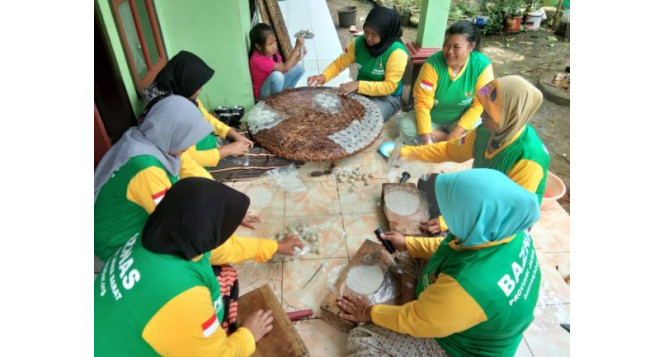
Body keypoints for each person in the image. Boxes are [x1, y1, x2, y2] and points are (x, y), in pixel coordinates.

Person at [336, 168, 542, 357]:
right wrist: (408, 243)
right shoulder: (505, 228)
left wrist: (368, 312)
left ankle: (410, 300)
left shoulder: (471, 285)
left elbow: (418, 321)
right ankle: (410, 294)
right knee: (409, 254)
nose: (444, 216)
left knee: (363, 341)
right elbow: (451, 247)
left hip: (463, 347)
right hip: (461, 308)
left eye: (451, 212)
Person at [94, 177, 304, 356]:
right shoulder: (183, 297)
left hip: (111, 329)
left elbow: (223, 251)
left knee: (224, 273)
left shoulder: (155, 234)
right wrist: (248, 334)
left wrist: (275, 247)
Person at [399, 75, 550, 234]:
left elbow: (504, 212)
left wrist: (449, 221)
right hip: (482, 195)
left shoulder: (528, 158)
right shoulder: (486, 130)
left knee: (454, 244)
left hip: (504, 219)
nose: (481, 116)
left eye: (488, 114)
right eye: (483, 109)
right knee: (428, 183)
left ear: (509, 116)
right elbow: (449, 150)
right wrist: (406, 153)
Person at [94, 95, 216, 262]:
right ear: (171, 130)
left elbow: (192, 169)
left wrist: (224, 203)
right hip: (115, 245)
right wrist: (260, 248)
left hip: (126, 226)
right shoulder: (147, 170)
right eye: (186, 135)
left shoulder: (149, 139)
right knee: (199, 271)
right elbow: (181, 234)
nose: (190, 144)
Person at [142, 50, 253, 169]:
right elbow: (186, 159)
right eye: (197, 86)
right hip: (199, 164)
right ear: (184, 82)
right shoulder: (170, 113)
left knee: (248, 144)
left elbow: (205, 116)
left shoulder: (183, 95)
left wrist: (232, 134)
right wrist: (229, 150)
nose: (200, 90)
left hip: (210, 147)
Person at [399, 20, 494, 144]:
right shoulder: (432, 65)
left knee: (482, 128)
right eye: (446, 45)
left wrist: (455, 134)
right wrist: (426, 134)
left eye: (456, 47)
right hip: (432, 118)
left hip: (460, 120)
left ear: (471, 47)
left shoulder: (483, 66)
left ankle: (449, 140)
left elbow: (479, 105)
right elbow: (422, 103)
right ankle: (456, 142)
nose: (449, 51)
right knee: (406, 127)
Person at [307, 6, 408, 122]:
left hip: (387, 97)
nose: (369, 38)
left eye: (374, 35)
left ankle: (391, 110)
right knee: (337, 105)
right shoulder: (359, 43)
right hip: (363, 91)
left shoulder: (397, 52)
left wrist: (358, 85)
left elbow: (389, 86)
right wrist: (323, 76)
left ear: (386, 33)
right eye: (366, 32)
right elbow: (340, 63)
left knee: (368, 117)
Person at [249, 23, 306, 101]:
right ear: (258, 46)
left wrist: (299, 57)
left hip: (275, 87)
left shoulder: (269, 52)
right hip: (263, 93)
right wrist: (297, 47)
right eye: (270, 44)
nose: (274, 46)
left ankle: (286, 94)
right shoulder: (257, 60)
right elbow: (284, 68)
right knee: (277, 76)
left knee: (300, 68)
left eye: (274, 42)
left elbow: (283, 66)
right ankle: (275, 102)